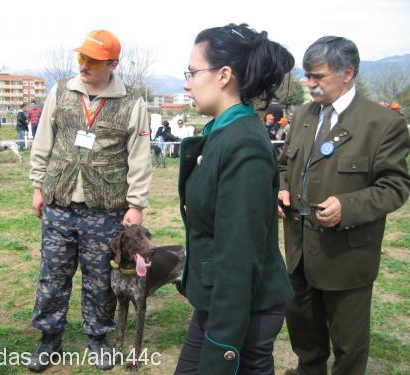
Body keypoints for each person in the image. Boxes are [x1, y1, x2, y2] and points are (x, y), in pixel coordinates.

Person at [278, 36, 410, 375]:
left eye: (318, 77)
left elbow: (395, 185)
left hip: (347, 256)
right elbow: (283, 165)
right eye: (307, 76)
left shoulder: (382, 124)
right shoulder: (304, 115)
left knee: (349, 345)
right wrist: (280, 189)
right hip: (299, 251)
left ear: (347, 73)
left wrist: (347, 206)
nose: (310, 84)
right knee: (304, 333)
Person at [28, 29, 152, 372]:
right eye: (81, 57)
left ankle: (97, 338)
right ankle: (49, 340)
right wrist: (38, 186)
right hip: (59, 203)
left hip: (105, 208)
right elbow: (44, 141)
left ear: (112, 63)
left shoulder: (132, 102)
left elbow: (140, 156)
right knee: (52, 275)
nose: (83, 65)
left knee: (100, 279)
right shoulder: (61, 91)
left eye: (93, 60)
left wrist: (137, 204)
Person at [175, 23, 295, 374]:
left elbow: (239, 257)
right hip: (220, 302)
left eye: (193, 72)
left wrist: (222, 347)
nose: (187, 83)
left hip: (242, 309)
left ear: (224, 75)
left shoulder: (244, 144)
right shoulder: (224, 134)